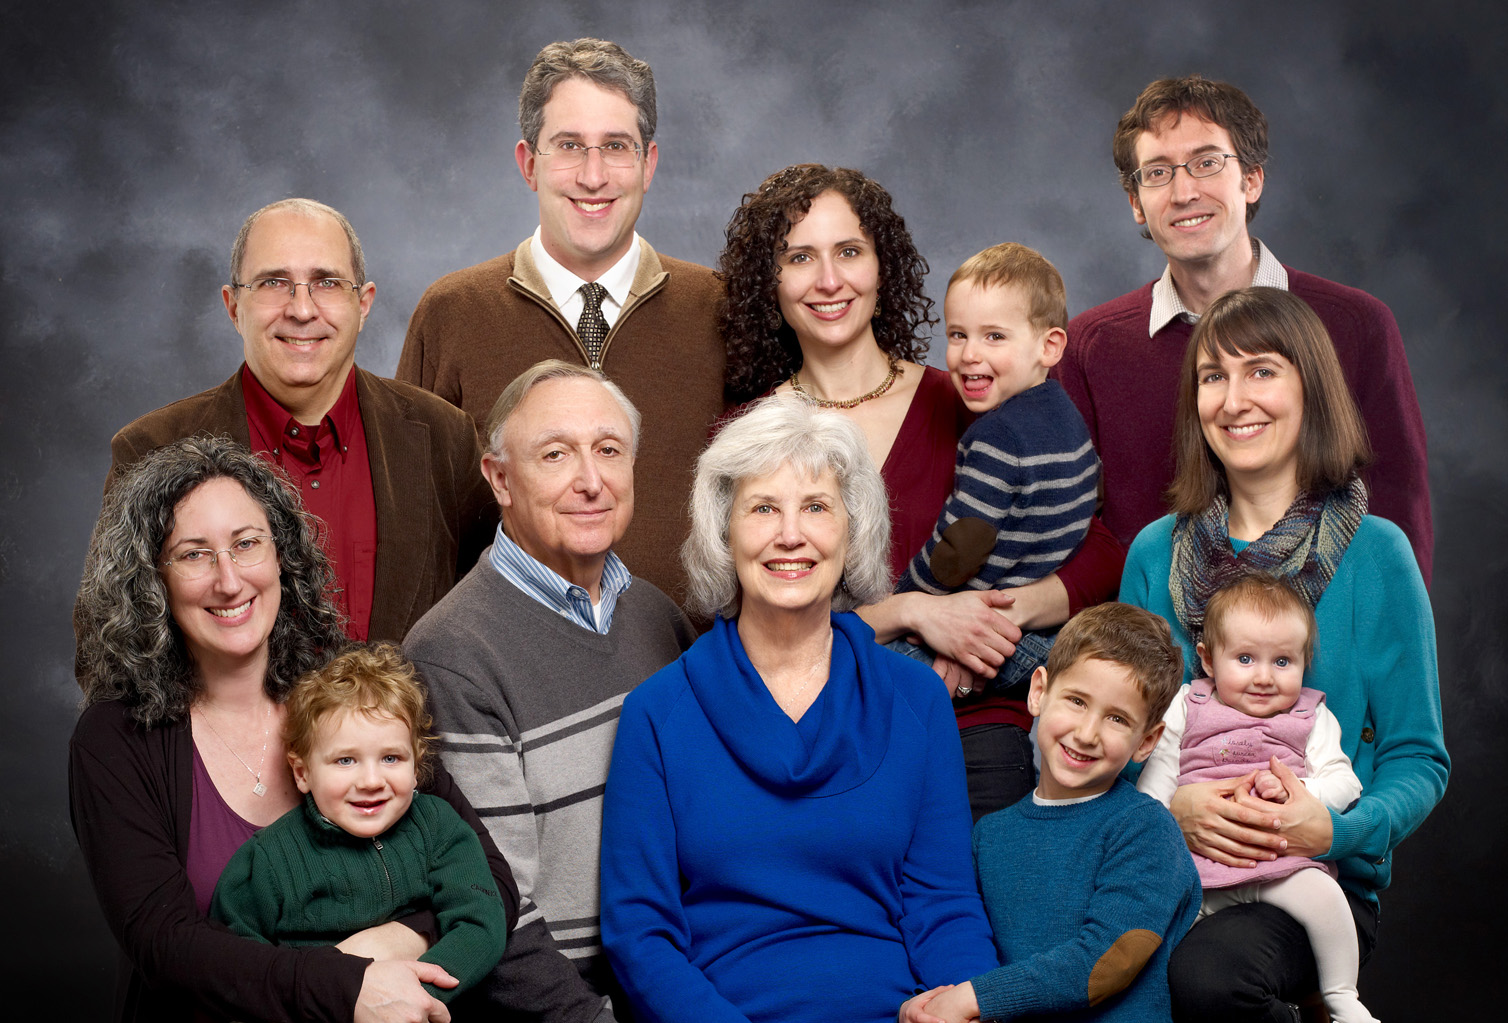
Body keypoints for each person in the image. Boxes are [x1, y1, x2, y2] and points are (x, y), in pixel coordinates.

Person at [70, 437, 568, 1023]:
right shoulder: (119, 738)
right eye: (194, 555)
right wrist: (338, 989)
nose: (230, 579)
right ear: (153, 580)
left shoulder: (352, 692)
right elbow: (164, 943)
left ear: (283, 554)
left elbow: (487, 885)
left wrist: (386, 949)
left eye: (247, 544)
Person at [601, 396, 1011, 1023]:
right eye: (763, 508)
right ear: (724, 533)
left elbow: (942, 899)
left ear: (851, 530)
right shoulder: (658, 712)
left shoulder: (913, 698)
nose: (791, 535)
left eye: (817, 506)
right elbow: (639, 934)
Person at [1119, 287, 1448, 1023]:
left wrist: (1328, 830)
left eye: (1262, 370)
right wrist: (1172, 806)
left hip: (1317, 883)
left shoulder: (1377, 554)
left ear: (1312, 392)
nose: (1235, 398)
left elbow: (1421, 758)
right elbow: (1127, 731)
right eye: (1214, 377)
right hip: (1178, 864)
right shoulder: (1157, 553)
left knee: (1210, 977)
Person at [719, 162, 1125, 819]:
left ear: (884, 267)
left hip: (981, 727)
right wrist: (913, 615)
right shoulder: (750, 438)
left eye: (849, 251)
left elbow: (1098, 549)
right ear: (771, 282)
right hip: (830, 731)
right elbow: (749, 629)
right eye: (800, 257)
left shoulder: (975, 400)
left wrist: (998, 618)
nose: (829, 280)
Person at [404, 361, 700, 1023]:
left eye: (610, 450)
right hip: (541, 1019)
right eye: (556, 455)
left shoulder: (655, 618)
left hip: (665, 977)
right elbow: (497, 916)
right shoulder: (453, 653)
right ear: (498, 478)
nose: (591, 480)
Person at [139, 642, 511, 1023]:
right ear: (302, 772)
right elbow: (235, 950)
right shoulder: (271, 857)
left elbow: (481, 921)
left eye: (392, 758)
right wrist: (287, 1017)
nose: (371, 780)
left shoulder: (437, 829)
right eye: (345, 761)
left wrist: (417, 995)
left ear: (418, 761)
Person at [1057, 74, 1433, 585]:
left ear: (1251, 179)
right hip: (1156, 645)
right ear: (1136, 203)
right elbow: (1072, 527)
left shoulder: (1356, 324)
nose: (1184, 192)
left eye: (1207, 163)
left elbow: (1398, 506)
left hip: (1320, 643)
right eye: (1159, 173)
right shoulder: (1090, 346)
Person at [398, 37, 724, 604]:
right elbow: (415, 525)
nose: (593, 176)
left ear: (648, 164)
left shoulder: (720, 310)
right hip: (504, 678)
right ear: (529, 163)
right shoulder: (452, 314)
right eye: (569, 146)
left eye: (616, 146)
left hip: (690, 673)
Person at [901, 603, 1200, 1023]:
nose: (1088, 732)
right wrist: (929, 1004)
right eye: (1076, 701)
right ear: (1039, 691)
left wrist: (972, 998)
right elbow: (969, 944)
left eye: (1118, 719)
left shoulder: (1143, 829)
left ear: (1147, 741)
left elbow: (1106, 960)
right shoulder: (990, 836)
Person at [104, 198, 495, 642]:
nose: (302, 310)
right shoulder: (150, 450)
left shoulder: (446, 437)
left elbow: (492, 618)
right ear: (233, 307)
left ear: (363, 304)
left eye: (326, 282)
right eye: (274, 282)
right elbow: (114, 649)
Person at [1136, 573, 1376, 1023]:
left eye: (1283, 661)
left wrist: (1301, 794)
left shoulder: (1311, 716)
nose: (1264, 677)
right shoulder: (1188, 704)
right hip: (1198, 869)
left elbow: (1344, 782)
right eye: (1245, 659)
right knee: (1150, 932)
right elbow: (1155, 787)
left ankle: (1342, 992)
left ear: (1306, 662)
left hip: (1280, 864)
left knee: (1326, 899)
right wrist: (1171, 819)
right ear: (1206, 659)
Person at [892, 242, 1100, 692]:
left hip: (988, 634)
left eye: (994, 336)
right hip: (1049, 637)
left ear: (1049, 346)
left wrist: (907, 598)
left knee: (867, 664)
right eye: (957, 335)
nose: (969, 354)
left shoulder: (996, 438)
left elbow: (960, 547)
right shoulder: (1066, 416)